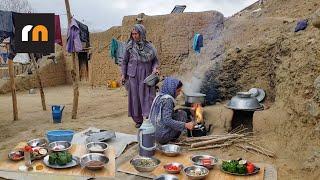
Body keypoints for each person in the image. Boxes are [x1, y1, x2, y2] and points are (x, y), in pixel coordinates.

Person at [121, 24, 159, 128]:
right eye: (133, 34)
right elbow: (124, 61)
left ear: (141, 34)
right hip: (133, 75)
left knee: (147, 96)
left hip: (146, 75)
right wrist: (123, 75)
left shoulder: (150, 47)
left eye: (136, 34)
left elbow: (155, 60)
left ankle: (148, 117)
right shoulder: (129, 46)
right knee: (135, 97)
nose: (134, 36)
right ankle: (138, 120)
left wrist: (155, 68)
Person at [149, 77, 194, 144]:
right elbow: (167, 120)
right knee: (182, 114)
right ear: (172, 89)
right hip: (161, 137)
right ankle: (172, 138)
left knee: (179, 112)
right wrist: (185, 125)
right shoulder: (168, 100)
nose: (179, 94)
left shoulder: (160, 96)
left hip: (151, 133)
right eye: (178, 91)